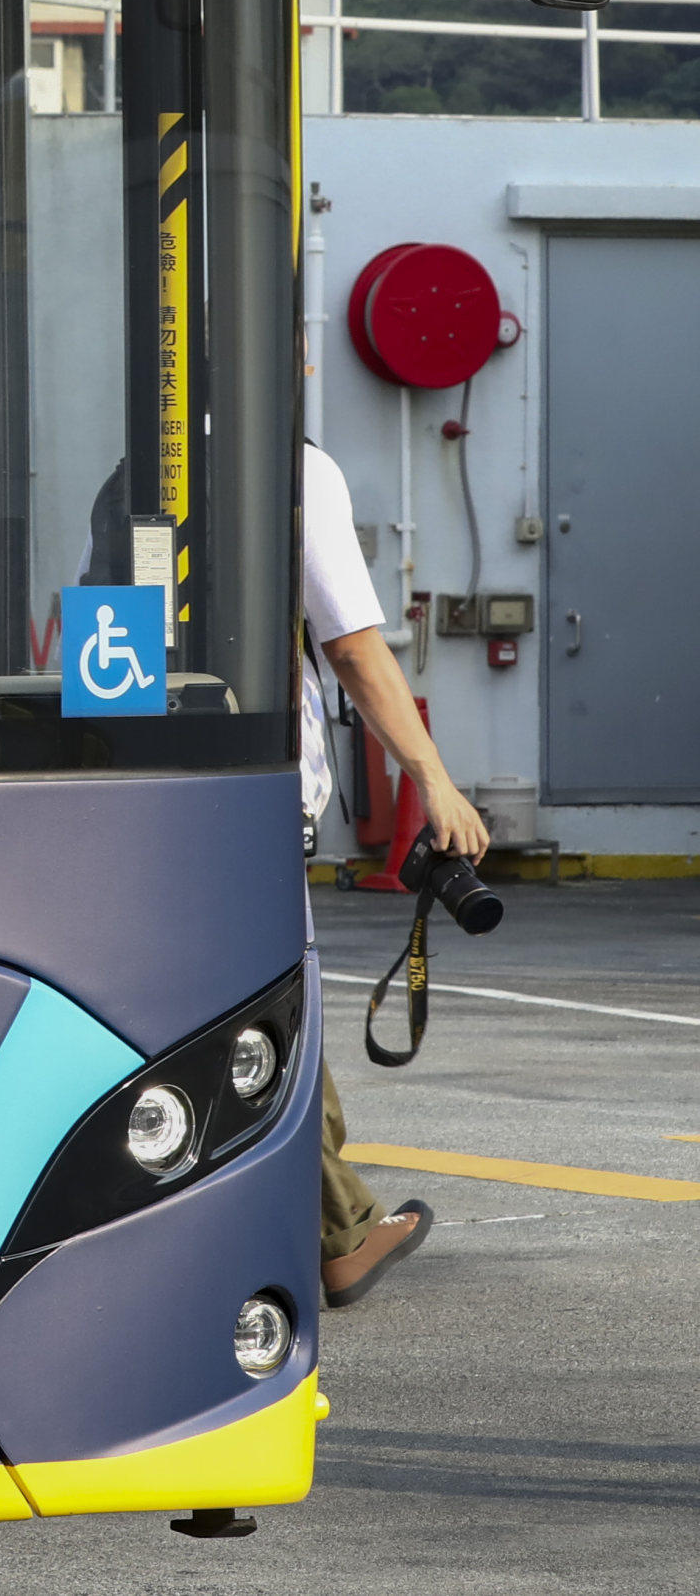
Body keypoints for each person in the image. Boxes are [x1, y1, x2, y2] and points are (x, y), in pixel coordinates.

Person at [302, 435, 489, 1309]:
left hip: (143, 783)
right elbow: (351, 645)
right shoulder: (295, 466)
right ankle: (337, 1231)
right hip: (249, 788)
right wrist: (433, 782)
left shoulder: (130, 472)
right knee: (266, 1015)